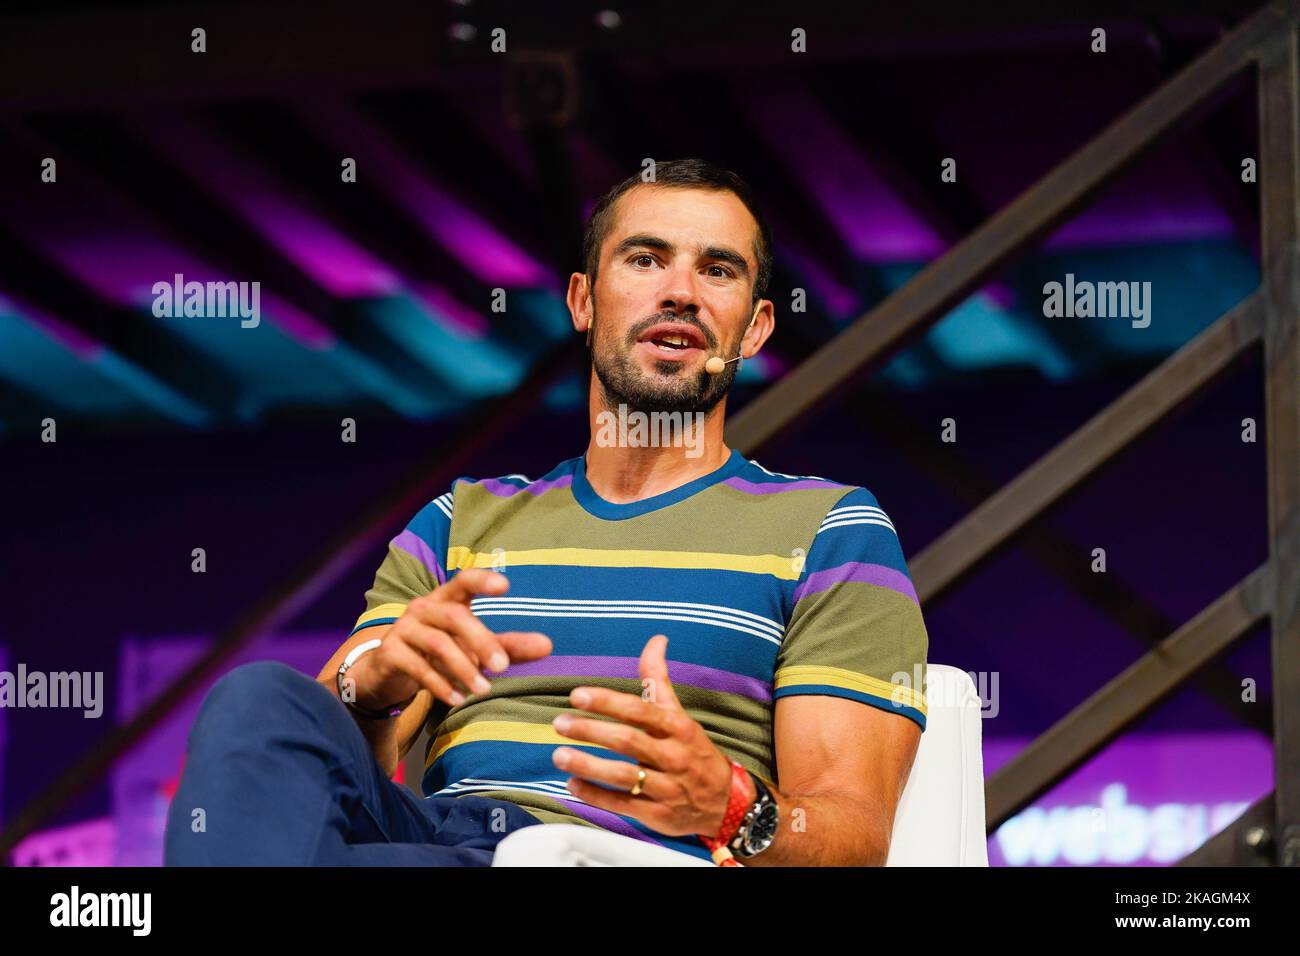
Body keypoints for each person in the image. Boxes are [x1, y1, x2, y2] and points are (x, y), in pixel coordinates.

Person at [165, 158, 929, 867]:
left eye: (717, 270)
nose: (681, 291)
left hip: (611, 857)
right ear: (583, 302)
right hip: (437, 840)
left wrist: (725, 803)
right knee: (261, 697)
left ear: (755, 328)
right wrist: (381, 681)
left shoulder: (831, 530)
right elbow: (332, 764)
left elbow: (852, 836)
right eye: (645, 258)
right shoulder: (460, 521)